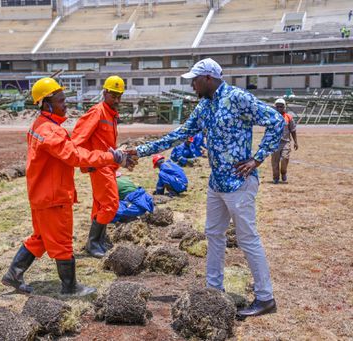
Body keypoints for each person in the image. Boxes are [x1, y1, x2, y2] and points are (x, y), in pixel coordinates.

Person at [127, 58, 284, 319]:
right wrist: (140, 151)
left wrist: (257, 158)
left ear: (209, 78)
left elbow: (276, 121)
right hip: (216, 183)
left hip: (239, 183)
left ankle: (266, 298)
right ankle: (213, 290)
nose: (192, 85)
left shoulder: (236, 98)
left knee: (247, 238)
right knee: (213, 234)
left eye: (195, 80)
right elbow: (178, 135)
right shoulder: (205, 106)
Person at [1, 77, 133, 297]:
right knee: (62, 241)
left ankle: (14, 274)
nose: (66, 105)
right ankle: (70, 288)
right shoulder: (50, 132)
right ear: (46, 104)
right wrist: (110, 156)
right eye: (61, 100)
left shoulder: (42, 126)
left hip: (41, 193)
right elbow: (73, 155)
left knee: (42, 237)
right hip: (53, 196)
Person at [71, 75, 125, 258]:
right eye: (113, 95)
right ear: (105, 93)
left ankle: (98, 241)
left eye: (119, 96)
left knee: (100, 204)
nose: (117, 100)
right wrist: (86, 163)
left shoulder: (111, 114)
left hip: (108, 165)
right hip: (99, 165)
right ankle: (93, 243)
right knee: (110, 204)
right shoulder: (97, 112)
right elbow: (77, 140)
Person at [270, 98, 298, 183]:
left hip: (285, 142)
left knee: (285, 158)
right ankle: (276, 178)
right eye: (277, 107)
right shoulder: (272, 117)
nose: (279, 108)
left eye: (281, 107)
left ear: (284, 107)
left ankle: (284, 172)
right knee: (275, 161)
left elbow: (293, 130)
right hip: (275, 142)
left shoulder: (288, 117)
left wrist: (295, 142)